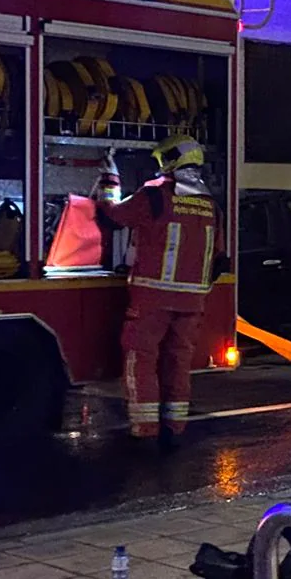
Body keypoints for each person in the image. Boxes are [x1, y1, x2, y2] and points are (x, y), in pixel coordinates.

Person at [99, 137, 219, 447]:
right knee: (178, 361)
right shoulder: (210, 205)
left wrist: (109, 183)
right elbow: (218, 258)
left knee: (142, 359)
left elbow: (112, 216)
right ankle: (174, 428)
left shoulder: (154, 197)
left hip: (153, 298)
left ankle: (145, 430)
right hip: (192, 302)